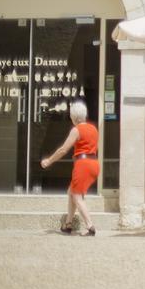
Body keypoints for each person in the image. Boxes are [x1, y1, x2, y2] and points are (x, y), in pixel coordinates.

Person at [40, 101, 99, 236]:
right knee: (71, 192)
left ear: (74, 117)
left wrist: (49, 161)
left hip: (82, 164)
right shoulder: (94, 129)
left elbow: (63, 150)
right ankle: (68, 224)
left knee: (77, 196)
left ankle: (90, 226)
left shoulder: (76, 129)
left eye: (71, 116)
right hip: (94, 163)